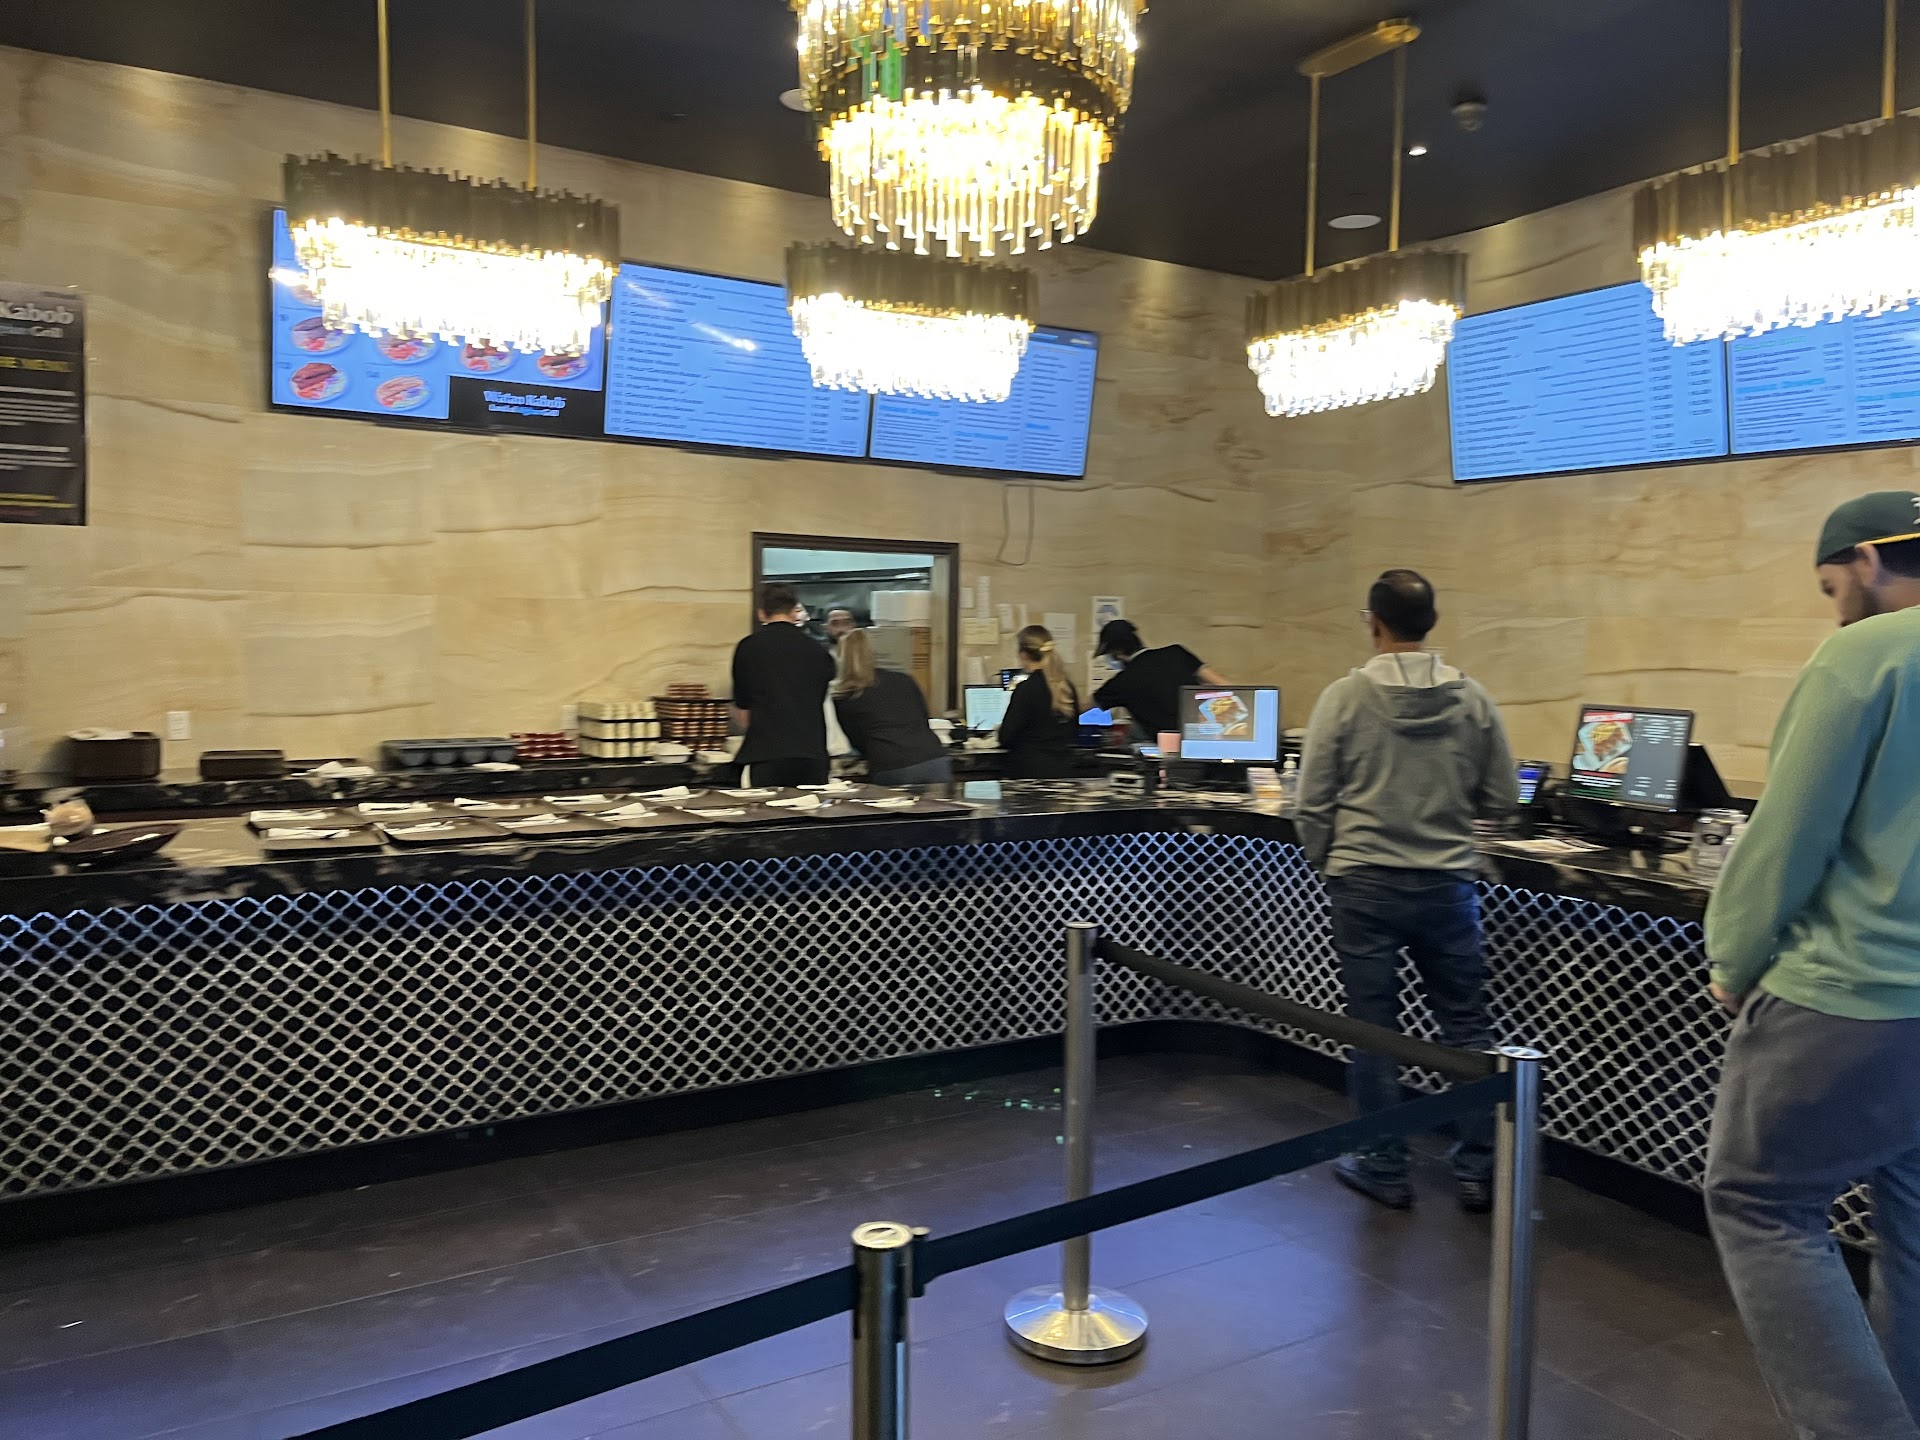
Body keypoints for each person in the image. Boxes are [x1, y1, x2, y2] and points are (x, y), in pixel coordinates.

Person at [1702, 490, 1920, 1440]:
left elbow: (1789, 834)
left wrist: (1732, 957)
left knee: (1761, 1203)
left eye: (1834, 587)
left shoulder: (1866, 654)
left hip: (1849, 997)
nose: (1837, 609)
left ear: (1866, 560)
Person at [1295, 569, 1519, 1213]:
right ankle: (1479, 1170)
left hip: (1364, 884)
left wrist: (1330, 864)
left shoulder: (1343, 698)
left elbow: (1312, 803)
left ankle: (1384, 1166)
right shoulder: (1474, 700)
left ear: (1373, 623)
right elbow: (1504, 797)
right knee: (1466, 1026)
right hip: (1449, 884)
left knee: (1374, 1030)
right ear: (1433, 622)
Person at [730, 581, 837, 787]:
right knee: (810, 808)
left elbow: (744, 713)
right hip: (813, 755)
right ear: (794, 612)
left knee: (769, 808)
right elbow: (820, 699)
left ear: (761, 613)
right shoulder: (818, 650)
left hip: (767, 754)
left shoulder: (749, 648)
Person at [832, 628, 953, 786]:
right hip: (933, 758)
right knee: (942, 802)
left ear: (840, 659)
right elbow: (923, 718)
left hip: (891, 764)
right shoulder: (903, 679)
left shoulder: (845, 695)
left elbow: (855, 738)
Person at [1092, 619, 1229, 740]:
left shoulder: (1121, 682)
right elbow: (1225, 685)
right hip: (1205, 737)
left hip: (1165, 749)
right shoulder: (1177, 653)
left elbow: (1085, 707)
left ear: (1118, 653)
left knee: (1133, 735)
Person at [998, 624, 1081, 779]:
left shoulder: (1026, 689)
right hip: (1063, 771)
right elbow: (1074, 730)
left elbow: (1006, 736)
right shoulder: (1067, 687)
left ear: (1023, 655)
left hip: (1028, 773)